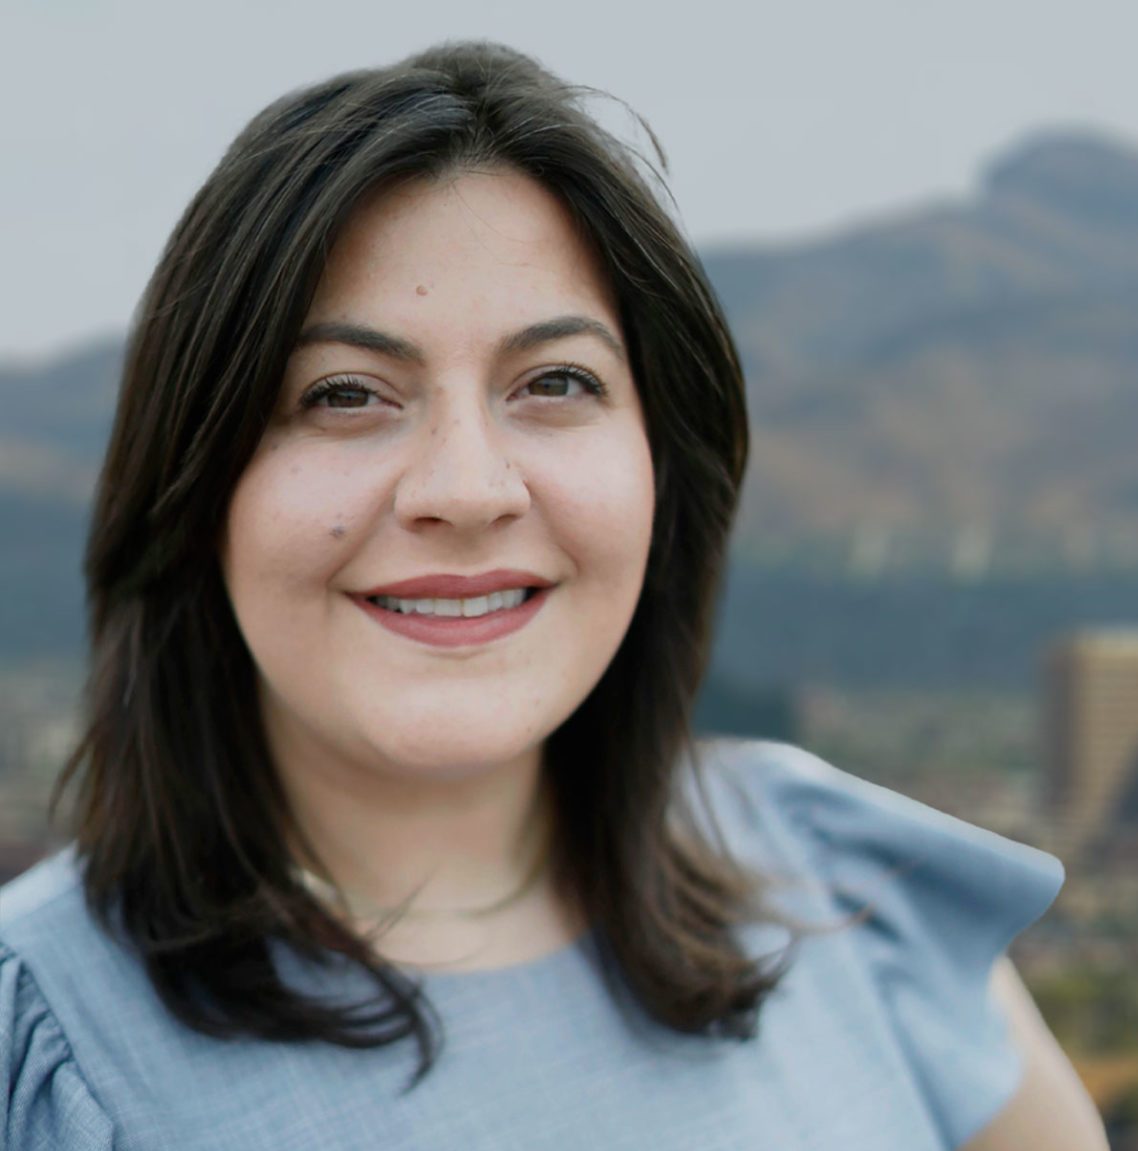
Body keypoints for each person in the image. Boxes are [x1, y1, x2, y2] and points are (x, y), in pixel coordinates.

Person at [0, 41, 1106, 1151]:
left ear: (660, 466)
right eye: (344, 393)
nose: (467, 489)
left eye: (556, 381)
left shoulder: (841, 889)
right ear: (196, 482)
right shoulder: (47, 1043)